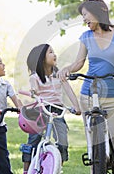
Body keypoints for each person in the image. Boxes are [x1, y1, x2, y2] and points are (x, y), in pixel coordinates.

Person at [57, 0, 114, 174]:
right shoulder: (86, 37)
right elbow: (79, 62)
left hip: (113, 95)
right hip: (88, 95)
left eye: (85, 15)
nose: (84, 19)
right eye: (83, 16)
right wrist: (67, 69)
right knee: (94, 147)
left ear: (99, 12)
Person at [21, 44, 81, 174]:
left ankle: (57, 168)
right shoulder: (35, 77)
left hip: (57, 110)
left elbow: (69, 91)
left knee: (62, 140)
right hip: (40, 110)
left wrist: (76, 107)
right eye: (50, 52)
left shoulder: (59, 75)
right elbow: (34, 90)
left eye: (54, 52)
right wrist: (32, 92)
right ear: (42, 58)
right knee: (33, 140)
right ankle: (26, 170)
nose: (54, 54)